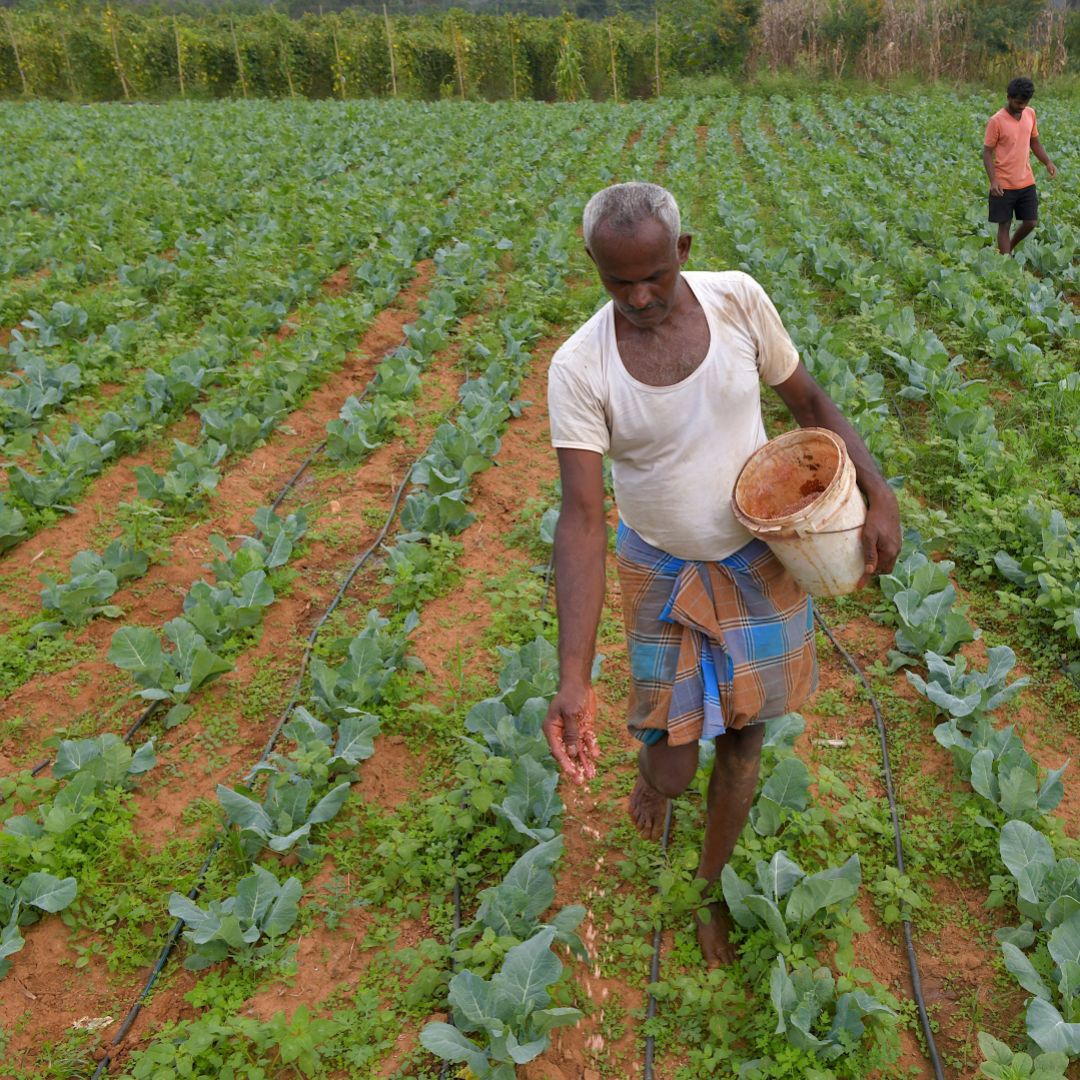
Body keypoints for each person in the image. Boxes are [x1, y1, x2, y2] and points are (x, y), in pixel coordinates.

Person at [542, 182, 901, 968]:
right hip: (659, 566)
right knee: (672, 767)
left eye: (654, 277)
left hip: (756, 557)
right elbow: (580, 516)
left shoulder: (738, 302)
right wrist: (573, 677)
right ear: (594, 270)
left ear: (684, 252)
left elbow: (807, 398)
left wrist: (878, 491)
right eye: (616, 282)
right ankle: (655, 783)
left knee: (743, 741)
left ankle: (708, 886)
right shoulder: (579, 367)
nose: (637, 297)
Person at [983, 76, 1057, 256]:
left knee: (1031, 222)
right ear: (1008, 98)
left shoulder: (1030, 114)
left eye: (1025, 103)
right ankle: (1005, 261)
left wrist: (1047, 161)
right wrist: (993, 181)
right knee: (1005, 225)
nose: (1021, 107)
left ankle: (1008, 248)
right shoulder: (996, 121)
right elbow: (986, 153)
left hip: (1026, 180)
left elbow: (1035, 142)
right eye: (1018, 103)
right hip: (1003, 184)